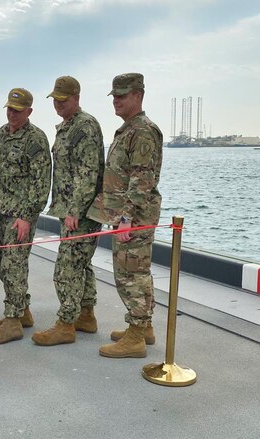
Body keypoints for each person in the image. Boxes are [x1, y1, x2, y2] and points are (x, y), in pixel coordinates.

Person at [87, 73, 163, 358]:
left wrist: (127, 218)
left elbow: (141, 178)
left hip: (134, 217)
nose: (116, 100)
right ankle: (143, 327)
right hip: (127, 214)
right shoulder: (129, 128)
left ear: (138, 96)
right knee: (133, 271)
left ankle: (136, 336)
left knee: (132, 275)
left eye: (122, 95)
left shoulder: (142, 130)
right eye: (114, 95)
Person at [32, 76, 105, 346]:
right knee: (80, 264)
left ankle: (65, 324)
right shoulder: (66, 127)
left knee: (66, 269)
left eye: (63, 100)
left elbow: (88, 173)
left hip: (82, 213)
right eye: (55, 100)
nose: (58, 105)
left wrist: (74, 210)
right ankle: (86, 315)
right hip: (70, 210)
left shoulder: (84, 126)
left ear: (76, 97)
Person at [0, 88, 51, 344]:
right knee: (1, 264)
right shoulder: (2, 133)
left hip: (20, 214)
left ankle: (12, 321)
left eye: (18, 111)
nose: (12, 114)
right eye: (9, 109)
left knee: (14, 265)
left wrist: (26, 215)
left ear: (29, 112)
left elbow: (41, 181)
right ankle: (23, 312)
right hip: (0, 210)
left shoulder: (36, 139)